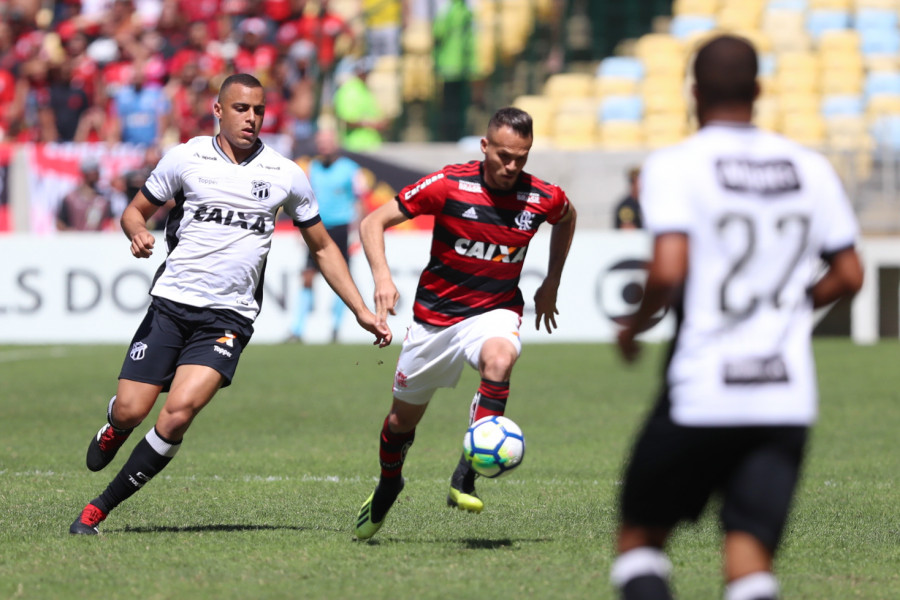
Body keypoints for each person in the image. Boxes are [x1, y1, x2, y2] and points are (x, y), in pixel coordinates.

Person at [69, 73, 392, 536]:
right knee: (130, 409)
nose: (252, 118)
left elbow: (322, 247)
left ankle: (97, 509)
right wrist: (137, 231)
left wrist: (361, 309)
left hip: (228, 318)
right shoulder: (185, 158)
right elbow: (134, 210)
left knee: (177, 413)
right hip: (171, 304)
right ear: (218, 110)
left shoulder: (286, 174)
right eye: (241, 108)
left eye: (259, 110)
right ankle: (115, 425)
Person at [610, 35, 864, 600]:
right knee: (748, 556)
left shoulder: (676, 165)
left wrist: (632, 326)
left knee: (641, 540)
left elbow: (670, 266)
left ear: (693, 94)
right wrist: (795, 305)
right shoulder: (810, 168)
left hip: (704, 388)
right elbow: (850, 274)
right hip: (785, 397)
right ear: (758, 90)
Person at [353, 106, 577, 540]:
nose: (512, 166)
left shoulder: (541, 196)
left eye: (522, 157)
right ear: (485, 146)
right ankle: (389, 483)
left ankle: (467, 472)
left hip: (495, 311)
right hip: (435, 321)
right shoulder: (449, 184)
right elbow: (372, 222)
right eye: (504, 156)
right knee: (401, 422)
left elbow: (567, 218)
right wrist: (383, 277)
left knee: (500, 360)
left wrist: (552, 280)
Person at [289, 127, 366, 343]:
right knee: (306, 277)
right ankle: (297, 329)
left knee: (341, 278)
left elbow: (360, 202)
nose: (324, 146)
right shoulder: (311, 168)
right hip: (316, 227)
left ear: (336, 144)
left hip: (341, 228)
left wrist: (357, 233)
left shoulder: (351, 170)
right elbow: (303, 201)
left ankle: (335, 328)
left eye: (328, 142)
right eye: (321, 142)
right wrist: (300, 230)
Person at [56, 157, 115, 231]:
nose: (97, 174)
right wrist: (70, 232)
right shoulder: (70, 199)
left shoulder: (104, 200)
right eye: (94, 171)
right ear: (86, 173)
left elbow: (111, 223)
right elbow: (60, 223)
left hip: (98, 241)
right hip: (75, 241)